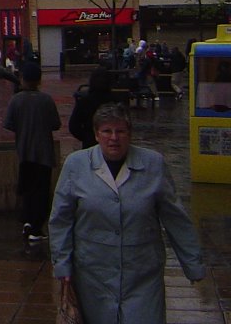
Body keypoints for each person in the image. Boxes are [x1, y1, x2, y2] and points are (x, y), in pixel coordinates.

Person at [49, 103, 205, 324]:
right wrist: (62, 263)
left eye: (120, 131)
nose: (114, 138)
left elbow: (175, 218)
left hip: (142, 273)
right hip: (93, 274)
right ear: (96, 134)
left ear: (130, 134)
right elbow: (61, 219)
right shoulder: (76, 165)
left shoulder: (153, 164)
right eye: (107, 131)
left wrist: (192, 263)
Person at [3, 63, 61, 243]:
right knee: (41, 191)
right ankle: (36, 227)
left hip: (24, 151)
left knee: (26, 188)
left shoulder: (16, 100)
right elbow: (56, 124)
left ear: (22, 79)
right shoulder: (46, 100)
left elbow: (9, 124)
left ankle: (27, 221)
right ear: (39, 80)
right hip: (43, 152)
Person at [68, 67, 116, 149]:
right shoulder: (116, 102)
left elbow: (73, 126)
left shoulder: (84, 101)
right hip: (112, 144)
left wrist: (86, 137)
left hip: (90, 143)